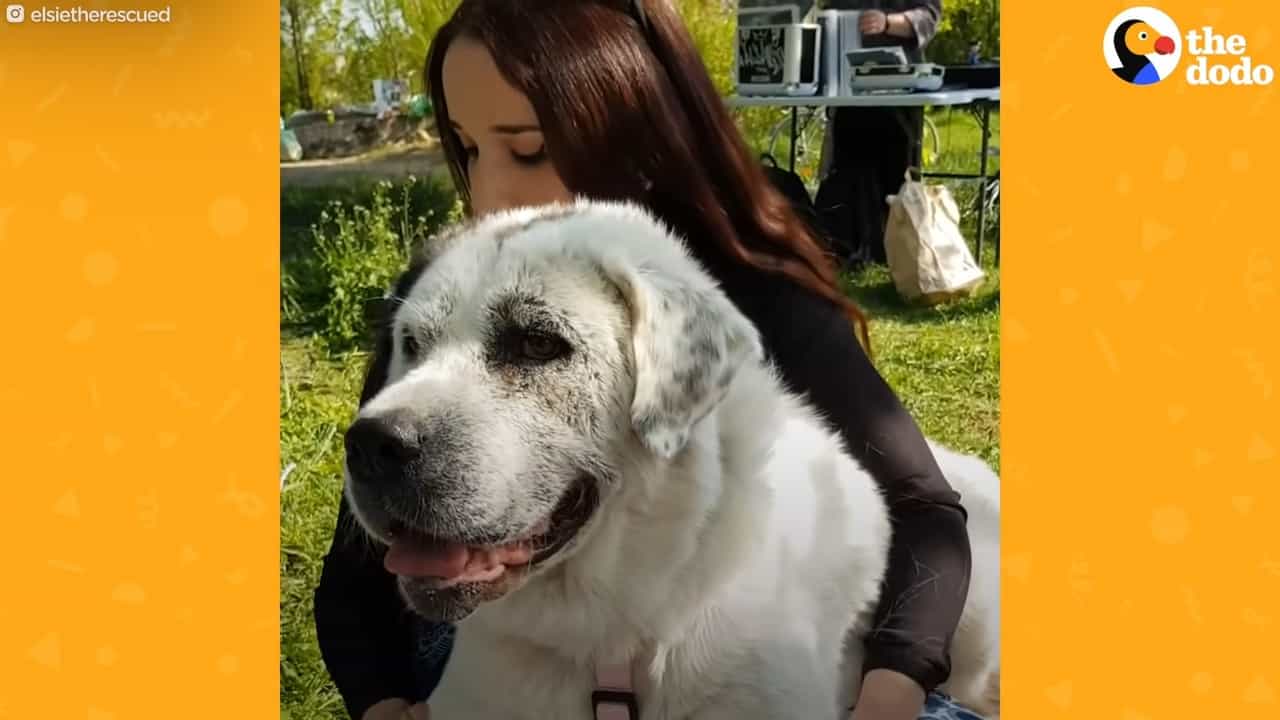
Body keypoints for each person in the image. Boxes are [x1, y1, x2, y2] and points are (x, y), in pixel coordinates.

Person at [313, 2, 977, 719]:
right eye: (468, 148)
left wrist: (893, 688)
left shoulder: (744, 294)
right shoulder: (450, 285)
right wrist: (381, 704)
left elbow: (923, 511)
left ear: (634, 135)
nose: (490, 192)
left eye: (530, 148)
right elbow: (357, 577)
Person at [818, 1, 943, 266]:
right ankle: (848, 246)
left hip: (900, 90)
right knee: (847, 167)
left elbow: (928, 17)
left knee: (896, 174)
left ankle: (898, 252)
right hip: (849, 85)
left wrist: (887, 22)